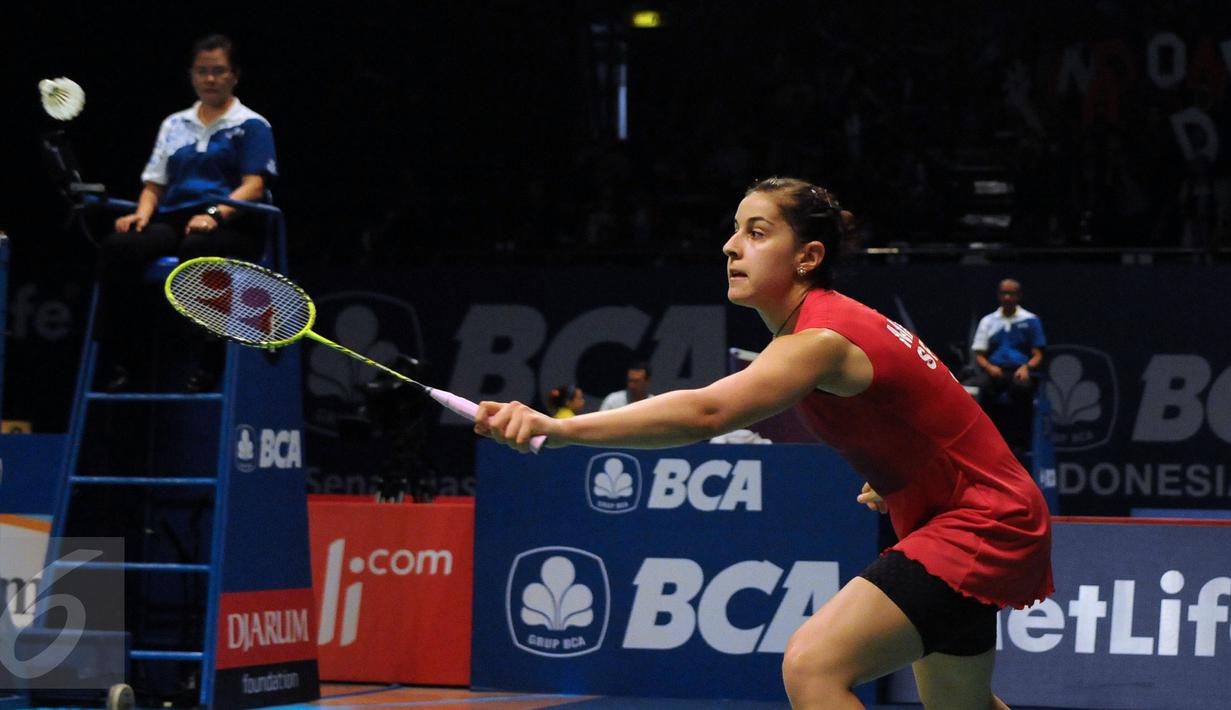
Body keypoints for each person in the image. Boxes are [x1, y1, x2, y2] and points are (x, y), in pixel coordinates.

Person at [476, 177, 1052, 710]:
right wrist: (900, 472)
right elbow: (927, 414)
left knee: (813, 666)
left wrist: (561, 427)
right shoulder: (828, 328)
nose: (730, 246)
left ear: (808, 257)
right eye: (734, 230)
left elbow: (708, 412)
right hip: (960, 514)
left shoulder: (822, 336)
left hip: (979, 522)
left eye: (756, 232)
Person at [95, 33, 277, 392]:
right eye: (202, 71)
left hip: (233, 221)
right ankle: (121, 358)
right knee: (119, 246)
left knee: (196, 251)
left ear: (234, 76)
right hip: (178, 220)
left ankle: (207, 363)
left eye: (219, 71)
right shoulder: (174, 124)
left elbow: (254, 186)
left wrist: (215, 213)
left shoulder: (253, 125)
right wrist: (142, 214)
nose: (210, 79)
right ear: (192, 76)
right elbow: (154, 184)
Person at [971, 279, 1045, 453]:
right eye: (1004, 293)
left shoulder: (1031, 320)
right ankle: (984, 442)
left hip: (1020, 371)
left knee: (1022, 389)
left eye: (1011, 293)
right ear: (999, 295)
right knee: (979, 388)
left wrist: (1026, 368)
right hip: (995, 370)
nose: (1007, 297)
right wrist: (989, 368)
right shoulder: (988, 321)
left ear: (1018, 296)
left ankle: (1021, 443)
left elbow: (1038, 355)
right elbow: (979, 355)